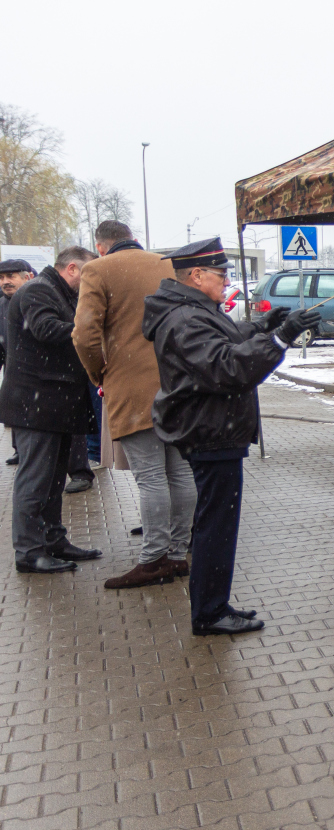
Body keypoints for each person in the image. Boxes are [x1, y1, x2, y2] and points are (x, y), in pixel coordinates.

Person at [143, 237, 319, 635]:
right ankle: (209, 612)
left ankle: (214, 604)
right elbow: (226, 367)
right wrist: (279, 338)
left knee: (216, 523)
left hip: (212, 429)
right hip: (210, 431)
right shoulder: (185, 317)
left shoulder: (191, 309)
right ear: (196, 275)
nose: (227, 280)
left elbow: (225, 335)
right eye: (221, 274)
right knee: (216, 527)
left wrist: (262, 326)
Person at [72, 219, 196, 588]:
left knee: (151, 477)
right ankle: (178, 554)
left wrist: (99, 373)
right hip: (178, 383)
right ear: (133, 239)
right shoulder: (168, 265)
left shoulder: (98, 269)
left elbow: (84, 335)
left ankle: (153, 560)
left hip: (132, 385)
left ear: (101, 246)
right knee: (180, 473)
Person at [0, 247, 104, 573]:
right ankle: (29, 552)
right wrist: (94, 330)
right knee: (35, 480)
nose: (92, 281)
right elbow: (45, 329)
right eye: (89, 273)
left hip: (54, 404)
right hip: (36, 405)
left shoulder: (59, 292)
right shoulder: (38, 290)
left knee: (54, 479)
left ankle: (54, 540)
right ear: (72, 268)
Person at [0, 260, 34, 467]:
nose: (5, 282)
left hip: (39, 370)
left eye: (11, 276)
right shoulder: (1, 305)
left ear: (26, 277)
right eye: (1, 277)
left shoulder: (37, 299)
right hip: (13, 370)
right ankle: (19, 451)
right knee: (16, 413)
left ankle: (77, 469)